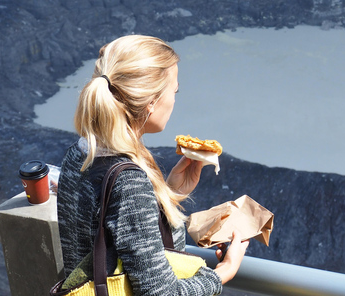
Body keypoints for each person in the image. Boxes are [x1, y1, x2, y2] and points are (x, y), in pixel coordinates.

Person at [57, 35, 248, 296]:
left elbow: (136, 248)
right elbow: (160, 293)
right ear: (151, 103)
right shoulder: (129, 181)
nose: (174, 100)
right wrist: (225, 270)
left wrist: (170, 194)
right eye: (174, 91)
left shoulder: (78, 155)